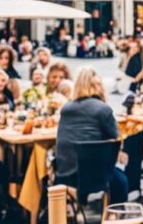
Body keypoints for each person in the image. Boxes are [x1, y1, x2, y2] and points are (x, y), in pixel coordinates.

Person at [54, 67, 128, 203]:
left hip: (65, 174)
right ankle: (115, 218)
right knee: (121, 180)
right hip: (94, 176)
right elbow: (116, 139)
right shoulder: (103, 109)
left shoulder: (66, 109)